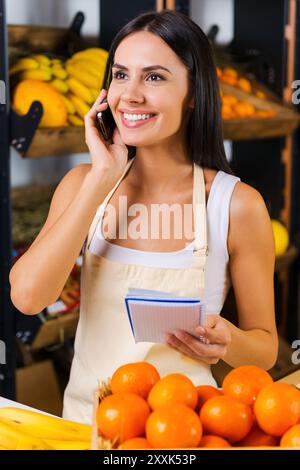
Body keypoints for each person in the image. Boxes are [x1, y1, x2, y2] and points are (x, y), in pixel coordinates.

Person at [9, 10, 278, 424]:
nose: (130, 95)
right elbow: (28, 298)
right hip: (89, 427)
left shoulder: (236, 204)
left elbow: (265, 349)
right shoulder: (84, 183)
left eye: (154, 77)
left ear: (193, 92)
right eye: (120, 75)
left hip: (184, 430)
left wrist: (228, 341)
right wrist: (101, 177)